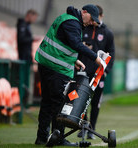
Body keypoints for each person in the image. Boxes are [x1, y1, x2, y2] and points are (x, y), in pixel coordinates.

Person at [34, 4, 102, 146]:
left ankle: (42, 138)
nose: (91, 22)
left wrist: (73, 60)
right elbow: (76, 43)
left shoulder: (67, 19)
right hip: (56, 68)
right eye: (91, 18)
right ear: (84, 12)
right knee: (58, 104)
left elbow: (62, 43)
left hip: (47, 64)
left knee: (47, 102)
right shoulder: (72, 23)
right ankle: (58, 139)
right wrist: (95, 57)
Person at [77, 5, 115, 139]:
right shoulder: (84, 28)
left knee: (95, 103)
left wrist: (106, 71)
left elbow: (112, 53)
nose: (94, 21)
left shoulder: (107, 33)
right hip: (84, 72)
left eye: (97, 17)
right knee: (82, 100)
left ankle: (92, 129)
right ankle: (83, 128)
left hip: (99, 74)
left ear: (101, 16)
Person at [16, 9, 39, 104]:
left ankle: (26, 101)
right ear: (29, 15)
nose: (35, 20)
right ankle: (23, 102)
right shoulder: (22, 25)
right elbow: (21, 39)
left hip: (27, 56)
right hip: (24, 57)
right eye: (34, 17)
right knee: (24, 80)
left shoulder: (27, 26)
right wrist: (32, 39)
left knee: (27, 80)